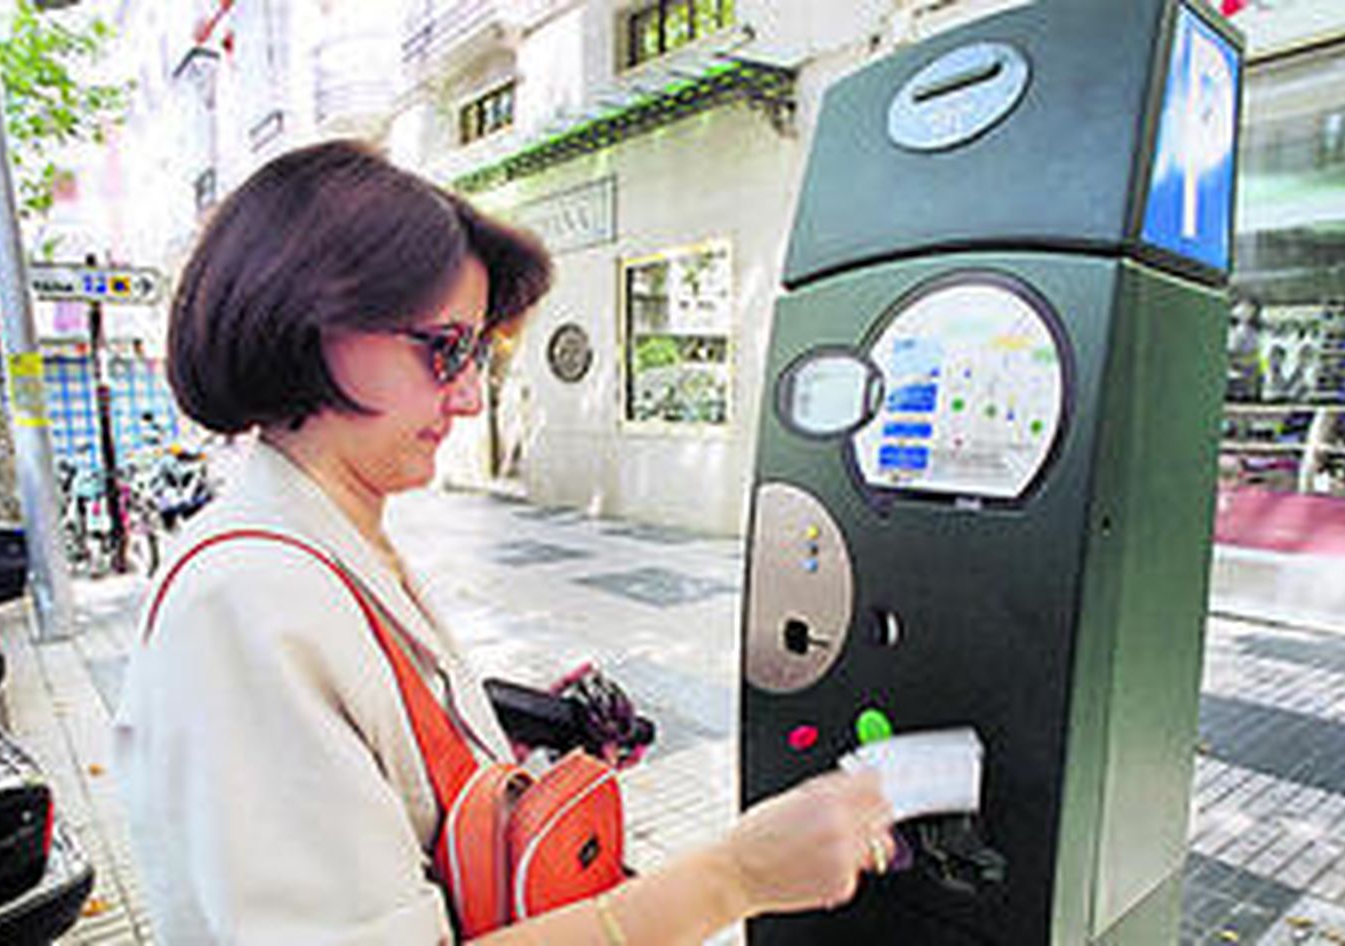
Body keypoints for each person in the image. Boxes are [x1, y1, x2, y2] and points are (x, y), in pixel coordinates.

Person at [113, 140, 894, 946]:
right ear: (307, 321)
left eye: (479, 353)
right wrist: (734, 878)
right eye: (444, 349)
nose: (469, 397)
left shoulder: (336, 542)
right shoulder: (245, 600)